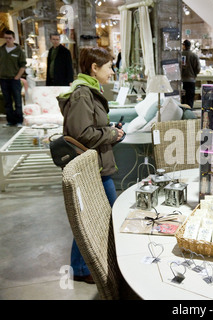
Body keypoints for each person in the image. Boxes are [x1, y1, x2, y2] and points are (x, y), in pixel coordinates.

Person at [57, 47, 125, 284]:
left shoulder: (90, 92)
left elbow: (91, 128)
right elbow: (82, 133)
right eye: (108, 67)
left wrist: (110, 131)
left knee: (97, 215)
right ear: (94, 69)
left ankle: (84, 264)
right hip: (91, 169)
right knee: (101, 215)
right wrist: (110, 134)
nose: (112, 72)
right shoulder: (82, 94)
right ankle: (82, 267)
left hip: (97, 166)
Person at [0, 30, 26, 127]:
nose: (8, 40)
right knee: (7, 101)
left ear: (14, 38)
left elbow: (23, 65)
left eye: (9, 38)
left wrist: (17, 77)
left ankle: (19, 120)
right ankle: (10, 121)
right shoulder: (1, 50)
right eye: (6, 38)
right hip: (3, 79)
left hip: (14, 79)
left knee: (17, 100)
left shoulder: (19, 51)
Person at [181, 39, 200, 108]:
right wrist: (194, 74)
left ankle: (183, 110)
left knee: (183, 97)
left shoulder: (181, 55)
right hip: (191, 80)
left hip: (182, 80)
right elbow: (198, 68)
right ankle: (190, 110)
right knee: (190, 97)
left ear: (184, 46)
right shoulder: (194, 55)